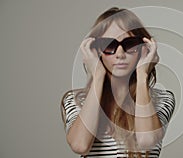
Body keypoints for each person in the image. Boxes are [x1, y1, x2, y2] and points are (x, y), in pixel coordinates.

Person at [60, 7, 175, 158]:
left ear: (143, 49)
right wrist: (98, 75)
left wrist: (142, 75)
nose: (120, 54)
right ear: (96, 50)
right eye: (109, 45)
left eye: (130, 45)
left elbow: (147, 140)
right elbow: (80, 145)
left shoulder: (162, 100)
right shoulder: (76, 101)